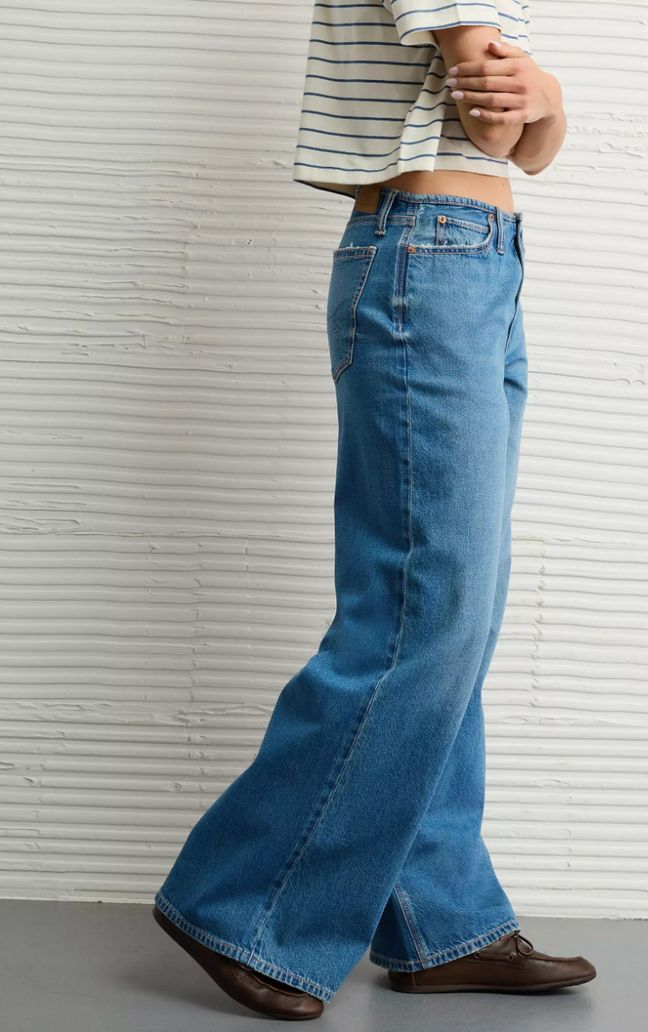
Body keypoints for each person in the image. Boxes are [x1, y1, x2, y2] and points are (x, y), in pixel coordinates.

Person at [152, 1, 596, 1020]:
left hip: (475, 257)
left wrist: (544, 97)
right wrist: (538, 97)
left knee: (457, 615)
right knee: (423, 611)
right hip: (432, 258)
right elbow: (500, 128)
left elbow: (534, 151)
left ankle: (441, 924)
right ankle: (236, 902)